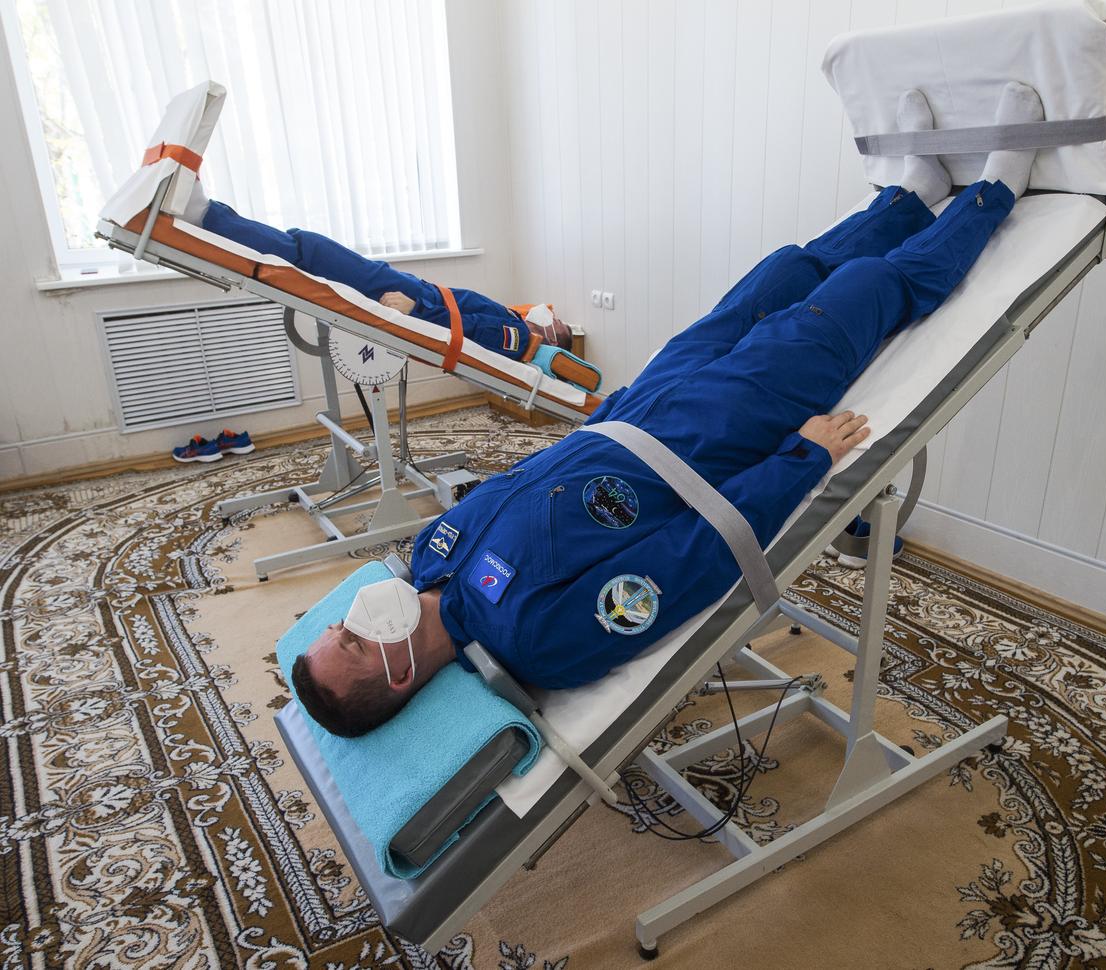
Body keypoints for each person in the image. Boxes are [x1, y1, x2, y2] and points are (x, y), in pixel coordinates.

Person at [292, 83, 1045, 738]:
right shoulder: (536, 640)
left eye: (338, 627)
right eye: (353, 644)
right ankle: (995, 192)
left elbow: (537, 470)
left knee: (779, 274)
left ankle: (906, 199)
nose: (351, 619)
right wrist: (802, 460)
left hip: (650, 399)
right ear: (398, 677)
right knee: (863, 295)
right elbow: (688, 561)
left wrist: (624, 398)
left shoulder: (432, 554)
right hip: (722, 434)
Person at [181, 183, 589, 382]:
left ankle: (207, 218)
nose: (547, 315)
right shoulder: (517, 323)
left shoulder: (518, 336)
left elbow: (469, 333)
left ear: (551, 338)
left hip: (417, 299)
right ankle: (210, 218)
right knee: (308, 251)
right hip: (417, 290)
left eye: (555, 323)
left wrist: (418, 309)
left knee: (309, 252)